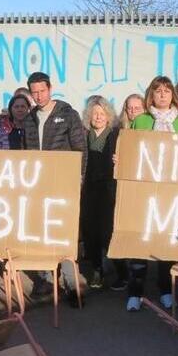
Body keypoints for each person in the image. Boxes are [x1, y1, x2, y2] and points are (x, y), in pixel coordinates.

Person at [126, 76, 178, 311]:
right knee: (140, 242)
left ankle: (165, 290)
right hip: (144, 191)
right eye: (158, 91)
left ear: (172, 95)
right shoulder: (142, 121)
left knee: (165, 243)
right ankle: (135, 293)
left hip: (172, 193)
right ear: (151, 96)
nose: (163, 95)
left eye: (167, 91)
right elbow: (130, 152)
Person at [22, 71, 88, 304]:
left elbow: (80, 148)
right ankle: (45, 281)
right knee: (41, 232)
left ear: (50, 89)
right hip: (38, 185)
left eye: (42, 91)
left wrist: (78, 179)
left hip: (63, 184)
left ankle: (73, 285)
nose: (38, 96)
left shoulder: (68, 115)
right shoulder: (29, 118)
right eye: (34, 92)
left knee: (64, 233)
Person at [80, 95, 127, 291]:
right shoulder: (83, 136)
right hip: (88, 191)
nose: (98, 117)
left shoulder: (117, 135)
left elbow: (129, 159)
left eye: (102, 113)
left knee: (109, 233)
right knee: (91, 234)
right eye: (94, 114)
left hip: (110, 191)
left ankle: (122, 273)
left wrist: (121, 159)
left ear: (109, 116)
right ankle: (97, 270)